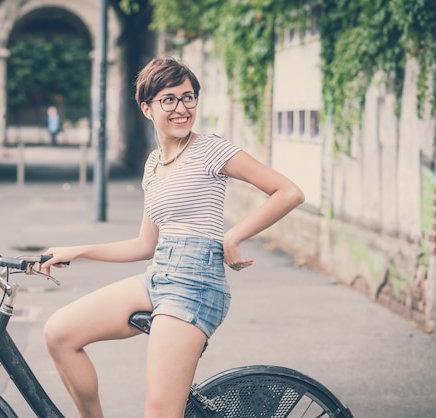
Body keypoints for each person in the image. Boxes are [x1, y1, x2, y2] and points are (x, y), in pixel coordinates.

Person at [40, 56, 305, 418]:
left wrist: (234, 235)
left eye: (188, 97)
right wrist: (78, 250)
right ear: (146, 108)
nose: (181, 108)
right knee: (60, 333)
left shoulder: (210, 148)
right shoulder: (152, 165)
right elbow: (144, 245)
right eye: (169, 99)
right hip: (159, 274)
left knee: (160, 412)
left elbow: (288, 191)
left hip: (196, 284)